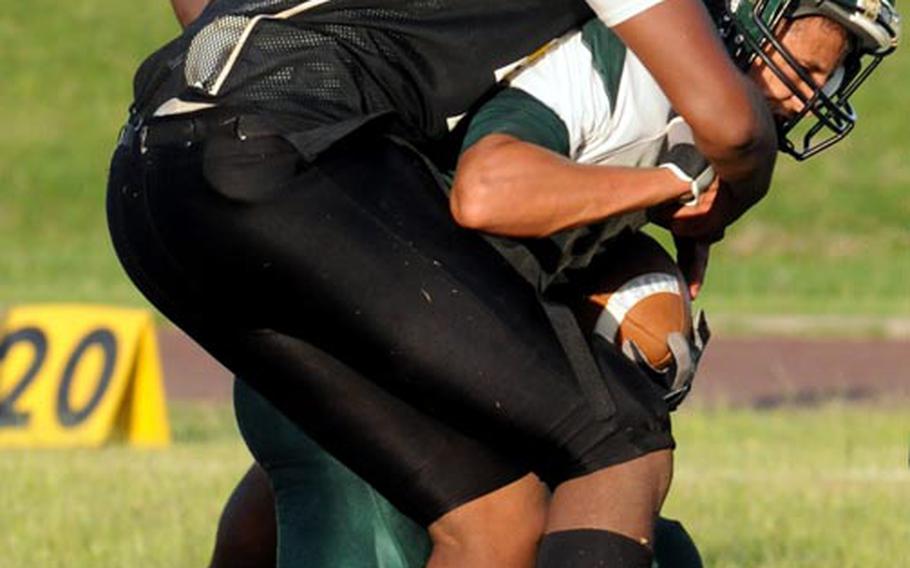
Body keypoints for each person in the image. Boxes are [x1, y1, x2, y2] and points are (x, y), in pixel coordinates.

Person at [198, 1, 898, 566]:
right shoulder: (613, 69)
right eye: (807, 66)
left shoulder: (678, 104)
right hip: (359, 301)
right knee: (460, 495)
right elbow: (489, 189)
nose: (810, 97)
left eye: (831, 78)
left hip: (386, 306)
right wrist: (664, 194)